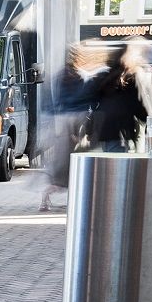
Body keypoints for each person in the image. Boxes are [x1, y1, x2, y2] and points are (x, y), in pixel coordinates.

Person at [39, 43, 103, 213]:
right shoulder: (79, 77)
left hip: (61, 123)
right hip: (75, 123)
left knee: (61, 164)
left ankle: (46, 199)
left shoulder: (60, 76)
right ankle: (71, 199)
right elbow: (87, 99)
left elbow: (53, 101)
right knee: (73, 163)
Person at [90, 45, 148, 152]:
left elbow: (94, 101)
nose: (141, 59)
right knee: (117, 165)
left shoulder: (106, 76)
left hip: (103, 131)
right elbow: (137, 106)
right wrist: (149, 120)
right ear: (125, 58)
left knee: (107, 163)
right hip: (119, 132)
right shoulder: (129, 79)